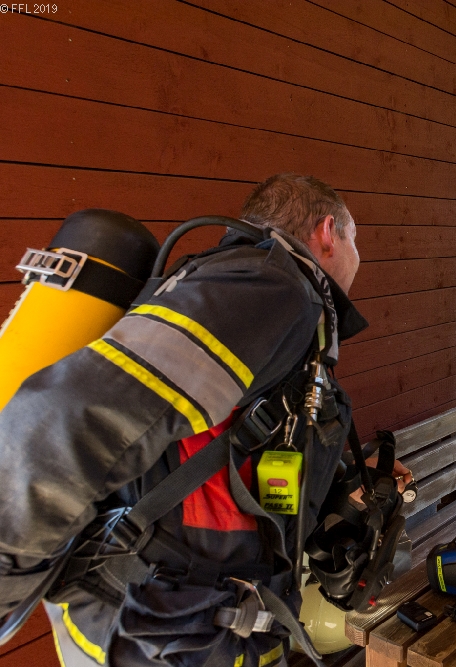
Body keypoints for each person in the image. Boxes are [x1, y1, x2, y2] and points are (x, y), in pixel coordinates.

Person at [0, 174, 411, 666]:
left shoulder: (265, 301)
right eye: (354, 239)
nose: (357, 256)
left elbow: (222, 444)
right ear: (328, 233)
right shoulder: (267, 288)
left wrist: (341, 479)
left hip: (188, 626)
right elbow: (67, 414)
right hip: (157, 635)